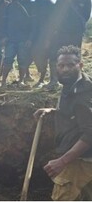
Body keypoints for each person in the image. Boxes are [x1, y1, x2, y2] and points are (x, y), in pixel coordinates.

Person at [34, 45, 92, 200]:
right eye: (61, 65)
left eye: (70, 65)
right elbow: (78, 114)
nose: (65, 69)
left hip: (80, 161)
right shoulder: (72, 84)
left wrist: (62, 161)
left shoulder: (83, 95)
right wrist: (53, 110)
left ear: (80, 65)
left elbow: (90, 134)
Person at [44, 0, 91, 90]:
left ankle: (74, 82)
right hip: (59, 34)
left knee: (73, 58)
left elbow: (85, 16)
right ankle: (54, 81)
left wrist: (75, 27)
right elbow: (54, 17)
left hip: (75, 34)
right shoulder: (61, 0)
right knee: (54, 56)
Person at [0, 0, 33, 88]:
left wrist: (30, 38)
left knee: (23, 60)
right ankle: (3, 81)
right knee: (8, 59)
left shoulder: (30, 5)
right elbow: (4, 23)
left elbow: (34, 24)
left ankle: (21, 81)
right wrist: (4, 36)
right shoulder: (9, 6)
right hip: (11, 38)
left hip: (24, 38)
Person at [28, 0, 54, 88]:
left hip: (46, 36)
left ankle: (43, 80)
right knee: (35, 56)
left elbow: (53, 23)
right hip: (35, 36)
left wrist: (48, 38)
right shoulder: (34, 5)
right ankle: (42, 75)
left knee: (44, 57)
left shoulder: (50, 5)